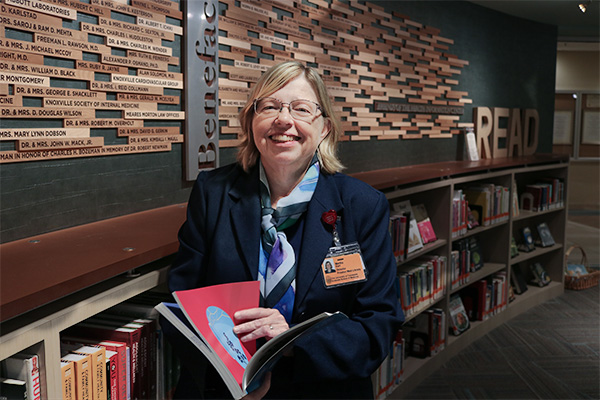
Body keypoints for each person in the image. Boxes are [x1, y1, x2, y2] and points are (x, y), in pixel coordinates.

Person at [166, 61, 404, 399]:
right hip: (228, 388)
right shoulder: (212, 192)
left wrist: (293, 341)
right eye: (269, 107)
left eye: (301, 109)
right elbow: (182, 302)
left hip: (324, 388)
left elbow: (379, 324)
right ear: (252, 121)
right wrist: (232, 372)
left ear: (324, 128)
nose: (283, 119)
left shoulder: (362, 206)